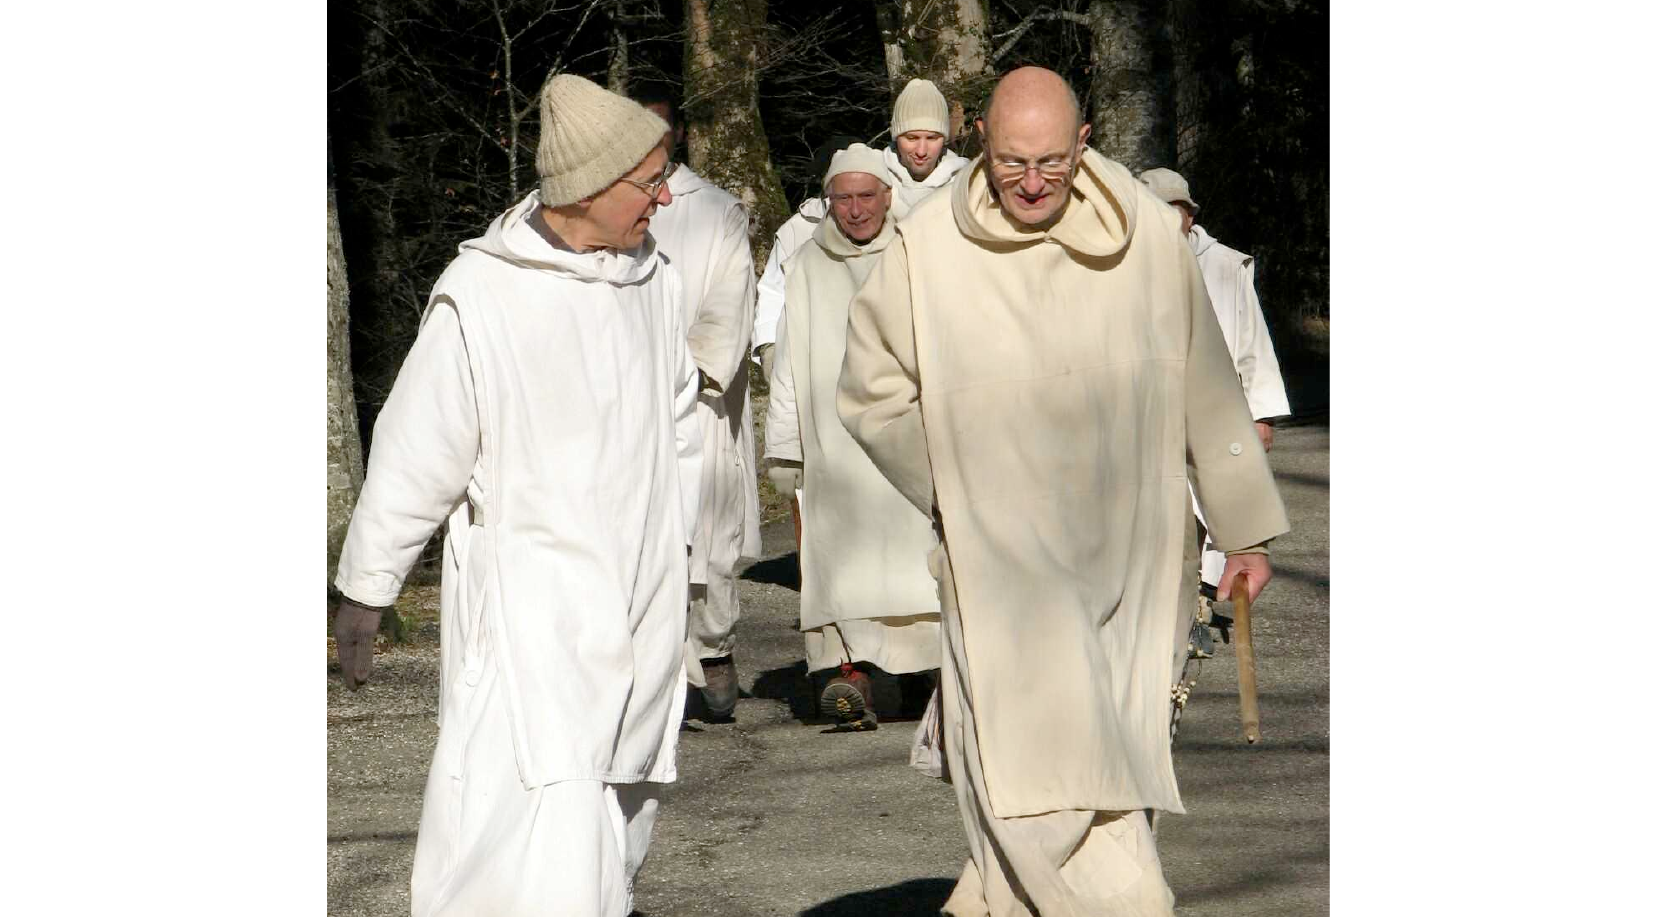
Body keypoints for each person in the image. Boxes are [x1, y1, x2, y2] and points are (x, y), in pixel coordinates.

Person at [836, 66, 1290, 916]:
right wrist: (957, 488)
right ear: (980, 143)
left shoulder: (1151, 238)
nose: (1033, 183)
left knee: (1108, 761)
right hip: (1001, 562)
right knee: (1033, 774)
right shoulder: (925, 247)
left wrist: (1245, 533)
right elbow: (870, 389)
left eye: (1050, 160)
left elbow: (1206, 384)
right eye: (1012, 163)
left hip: (1133, 554)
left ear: (1082, 143)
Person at [330, 74, 701, 917]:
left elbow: (681, 420)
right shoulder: (485, 296)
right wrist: (367, 588)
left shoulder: (654, 280)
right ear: (588, 186)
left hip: (640, 596)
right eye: (649, 180)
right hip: (534, 611)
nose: (665, 195)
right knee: (533, 817)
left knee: (622, 797)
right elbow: (416, 452)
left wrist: (692, 544)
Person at [763, 143, 940, 729]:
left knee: (920, 562)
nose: (857, 210)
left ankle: (933, 675)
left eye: (867, 196)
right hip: (836, 448)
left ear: (888, 197)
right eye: (844, 198)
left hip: (908, 437)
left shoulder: (917, 256)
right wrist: (784, 444)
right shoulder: (806, 267)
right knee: (842, 566)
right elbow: (789, 361)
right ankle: (850, 677)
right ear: (828, 202)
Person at [637, 89, 762, 721]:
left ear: (679, 134)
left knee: (705, 529)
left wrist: (689, 369)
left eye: (660, 131)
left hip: (698, 399)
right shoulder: (603, 202)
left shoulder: (713, 210)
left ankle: (711, 649)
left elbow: (731, 296)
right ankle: (652, 667)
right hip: (628, 404)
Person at [1139, 167, 1293, 675]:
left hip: (1217, 408)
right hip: (1154, 410)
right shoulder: (1127, 265)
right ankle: (1173, 611)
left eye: (1176, 212)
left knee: (1215, 506)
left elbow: (1251, 338)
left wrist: (1262, 413)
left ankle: (1201, 605)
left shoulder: (1225, 266)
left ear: (1190, 215)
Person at [752, 135, 861, 383]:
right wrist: (769, 345)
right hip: (810, 357)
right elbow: (773, 290)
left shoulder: (883, 223)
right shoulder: (797, 230)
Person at [882, 78, 972, 221]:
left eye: (932, 138)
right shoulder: (873, 178)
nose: (921, 151)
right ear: (896, 138)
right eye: (912, 138)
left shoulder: (966, 183)